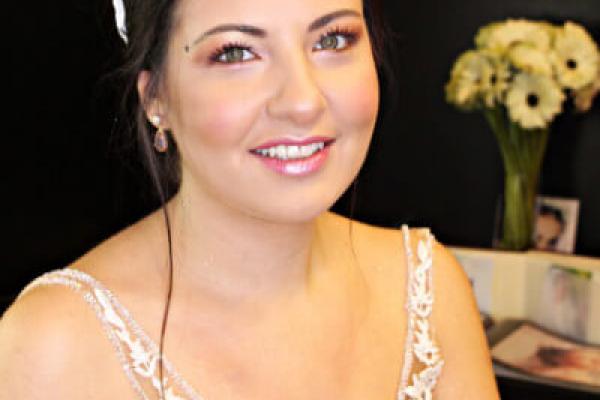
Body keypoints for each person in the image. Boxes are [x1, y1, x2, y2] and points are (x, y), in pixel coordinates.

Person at [0, 0, 499, 398]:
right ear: (156, 98)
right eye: (236, 53)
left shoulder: (427, 288)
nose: (303, 102)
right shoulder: (54, 344)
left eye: (332, 39)